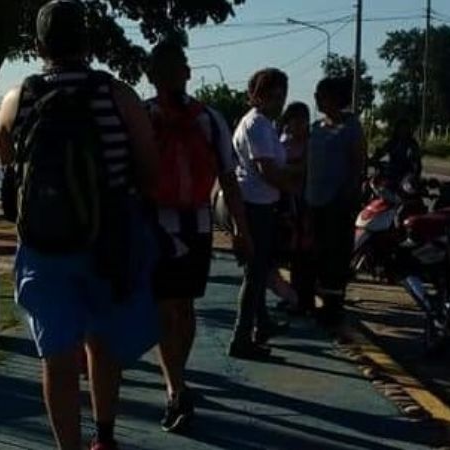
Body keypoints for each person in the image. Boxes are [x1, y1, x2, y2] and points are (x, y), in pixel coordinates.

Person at [0, 2, 160, 449]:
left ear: (38, 46)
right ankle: (104, 438)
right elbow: (148, 170)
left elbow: (9, 164)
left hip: (44, 247)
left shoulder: (17, 98)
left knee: (57, 356)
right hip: (108, 241)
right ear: (87, 44)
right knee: (103, 344)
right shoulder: (118, 96)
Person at [145, 40, 252, 432]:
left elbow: (229, 177)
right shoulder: (141, 117)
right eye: (166, 69)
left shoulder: (210, 120)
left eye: (178, 68)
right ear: (153, 76)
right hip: (154, 227)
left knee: (183, 308)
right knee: (165, 308)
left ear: (187, 74)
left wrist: (240, 228)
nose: (174, 76)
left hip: (197, 226)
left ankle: (177, 379)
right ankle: (175, 384)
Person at [229, 68, 296, 359]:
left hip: (261, 203)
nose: (279, 101)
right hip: (254, 205)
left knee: (258, 270)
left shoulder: (266, 124)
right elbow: (266, 169)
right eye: (274, 95)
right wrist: (292, 183)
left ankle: (261, 323)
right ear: (258, 95)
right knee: (255, 274)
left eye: (282, 95)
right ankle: (241, 337)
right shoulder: (256, 124)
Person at [303, 77, 367, 328]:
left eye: (321, 94)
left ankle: (333, 308)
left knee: (335, 257)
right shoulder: (316, 127)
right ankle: (313, 300)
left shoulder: (351, 127)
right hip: (312, 201)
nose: (317, 98)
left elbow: (357, 163)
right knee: (313, 255)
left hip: (337, 203)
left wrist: (347, 195)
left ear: (334, 98)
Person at [270, 102, 310, 313]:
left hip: (302, 202)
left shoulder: (309, 144)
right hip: (283, 202)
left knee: (302, 254)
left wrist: (284, 170)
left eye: (303, 120)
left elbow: (303, 168)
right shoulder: (283, 140)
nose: (298, 125)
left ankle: (303, 297)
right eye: (294, 120)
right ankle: (292, 294)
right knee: (287, 252)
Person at [373, 118, 422, 183]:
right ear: (397, 129)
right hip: (392, 174)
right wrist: (374, 158)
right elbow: (382, 151)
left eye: (405, 128)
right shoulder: (393, 142)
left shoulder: (412, 144)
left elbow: (417, 161)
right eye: (401, 128)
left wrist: (415, 174)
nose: (403, 131)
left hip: (407, 176)